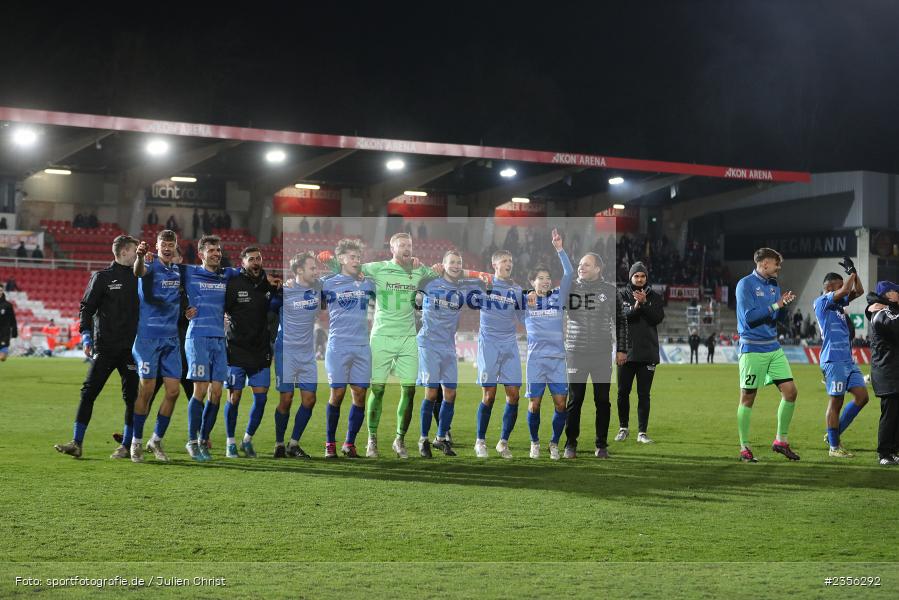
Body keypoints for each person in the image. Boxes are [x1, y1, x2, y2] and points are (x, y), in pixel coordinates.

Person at [317, 233, 487, 458]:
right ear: (392, 248)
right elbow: (351, 268)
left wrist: (481, 274)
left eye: (410, 245)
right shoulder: (378, 268)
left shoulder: (419, 270)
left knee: (409, 390)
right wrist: (328, 259)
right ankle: (372, 440)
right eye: (402, 245)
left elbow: (449, 271)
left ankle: (400, 439)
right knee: (377, 390)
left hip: (408, 338)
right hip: (381, 337)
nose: (407, 248)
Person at [54, 235, 140, 459]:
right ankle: (77, 442)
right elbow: (87, 308)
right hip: (106, 347)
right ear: (123, 252)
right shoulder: (102, 277)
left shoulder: (139, 277)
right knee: (89, 392)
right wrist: (85, 336)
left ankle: (128, 445)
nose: (136, 254)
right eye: (133, 250)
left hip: (130, 349)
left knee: (132, 397)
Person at [415, 250, 490, 457]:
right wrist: (429, 273)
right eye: (452, 262)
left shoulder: (463, 288)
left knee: (451, 394)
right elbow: (415, 298)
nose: (456, 266)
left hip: (448, 346)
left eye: (459, 263)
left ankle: (441, 438)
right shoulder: (430, 282)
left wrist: (475, 275)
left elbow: (487, 282)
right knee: (431, 393)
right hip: (429, 343)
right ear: (443, 264)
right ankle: (423, 439)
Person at [735, 247, 799, 463]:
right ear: (764, 264)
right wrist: (776, 304)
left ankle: (780, 441)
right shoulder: (745, 284)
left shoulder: (773, 285)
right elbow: (750, 318)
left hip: (773, 347)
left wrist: (783, 306)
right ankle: (744, 447)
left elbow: (774, 316)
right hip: (752, 349)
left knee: (790, 392)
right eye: (776, 264)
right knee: (748, 398)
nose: (778, 267)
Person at [183, 235, 243, 460]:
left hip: (219, 339)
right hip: (198, 337)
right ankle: (191, 440)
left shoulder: (226, 274)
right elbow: (165, 278)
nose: (216, 254)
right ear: (201, 254)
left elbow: (247, 270)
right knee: (200, 389)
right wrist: (183, 309)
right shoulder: (189, 272)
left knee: (216, 392)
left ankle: (203, 439)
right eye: (211, 251)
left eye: (218, 250)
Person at [563, 252, 626, 459]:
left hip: (601, 354)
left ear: (598, 268)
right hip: (575, 352)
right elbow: (550, 301)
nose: (581, 267)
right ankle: (570, 444)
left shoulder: (609, 291)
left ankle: (601, 445)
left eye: (586, 265)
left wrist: (622, 349)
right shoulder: (569, 287)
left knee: (602, 401)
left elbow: (621, 322)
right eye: (580, 264)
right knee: (575, 400)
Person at [129, 230, 183, 463]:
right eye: (164, 244)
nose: (168, 248)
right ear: (157, 246)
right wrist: (140, 257)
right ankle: (135, 442)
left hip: (171, 339)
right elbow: (138, 271)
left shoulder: (179, 271)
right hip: (148, 338)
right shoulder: (150, 264)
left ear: (176, 247)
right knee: (147, 390)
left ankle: (156, 440)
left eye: (171, 244)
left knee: (173, 391)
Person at [320, 239, 376, 458]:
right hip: (338, 345)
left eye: (358, 257)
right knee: (338, 393)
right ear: (341, 259)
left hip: (362, 346)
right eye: (352, 257)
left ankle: (349, 443)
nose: (357, 260)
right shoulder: (328, 282)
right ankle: (330, 444)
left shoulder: (367, 283)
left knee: (360, 394)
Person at [522, 229, 573, 459]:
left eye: (547, 278)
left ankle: (554, 443)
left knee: (561, 404)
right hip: (535, 361)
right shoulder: (526, 300)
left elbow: (570, 273)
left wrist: (560, 249)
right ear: (532, 282)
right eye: (540, 278)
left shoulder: (557, 298)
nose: (545, 281)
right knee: (534, 405)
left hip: (557, 360)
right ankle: (534, 443)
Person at [223, 246, 278, 458]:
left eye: (259, 258)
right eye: (251, 259)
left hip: (260, 350)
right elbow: (222, 309)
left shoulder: (269, 284)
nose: (256, 262)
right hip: (236, 349)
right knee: (234, 397)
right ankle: (230, 442)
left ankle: (247, 439)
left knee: (262, 399)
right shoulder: (234, 284)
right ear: (243, 262)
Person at [268, 252, 322, 459]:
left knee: (309, 399)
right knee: (287, 398)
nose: (316, 271)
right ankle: (279, 443)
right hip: (286, 351)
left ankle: (293, 443)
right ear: (299, 270)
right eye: (312, 268)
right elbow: (268, 312)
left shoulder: (318, 288)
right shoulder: (285, 291)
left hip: (307, 353)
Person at [474, 249, 526, 458]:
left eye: (511, 260)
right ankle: (480, 441)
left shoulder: (517, 289)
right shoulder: (484, 284)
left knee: (514, 395)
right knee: (489, 395)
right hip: (489, 344)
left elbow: (523, 318)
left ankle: (503, 442)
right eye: (504, 260)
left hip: (509, 344)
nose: (509, 263)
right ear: (494, 265)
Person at [813, 261, 867, 458]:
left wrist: (854, 273)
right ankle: (834, 447)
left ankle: (832, 435)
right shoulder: (821, 302)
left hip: (848, 360)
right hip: (833, 360)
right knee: (836, 402)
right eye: (838, 285)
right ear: (828, 288)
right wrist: (850, 274)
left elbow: (858, 290)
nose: (844, 288)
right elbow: (846, 289)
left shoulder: (838, 305)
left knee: (862, 397)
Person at [615, 262, 665, 444]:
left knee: (644, 394)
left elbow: (658, 318)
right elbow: (620, 318)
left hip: (648, 353)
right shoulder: (620, 295)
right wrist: (636, 307)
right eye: (636, 276)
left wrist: (644, 304)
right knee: (622, 392)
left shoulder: (655, 296)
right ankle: (623, 428)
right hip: (626, 352)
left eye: (642, 276)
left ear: (646, 277)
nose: (640, 279)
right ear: (631, 277)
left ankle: (642, 432)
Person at [866, 281, 899, 465]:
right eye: (896, 291)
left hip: (893, 370)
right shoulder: (882, 313)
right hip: (888, 372)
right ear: (888, 294)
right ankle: (884, 453)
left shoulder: (886, 310)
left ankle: (893, 450)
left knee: (895, 414)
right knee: (889, 414)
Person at [0, 289, 17, 362]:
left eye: (0, 290)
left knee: (3, 358)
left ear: (2, 292)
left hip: (4, 332)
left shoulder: (8, 305)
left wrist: (14, 330)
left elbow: (13, 319)